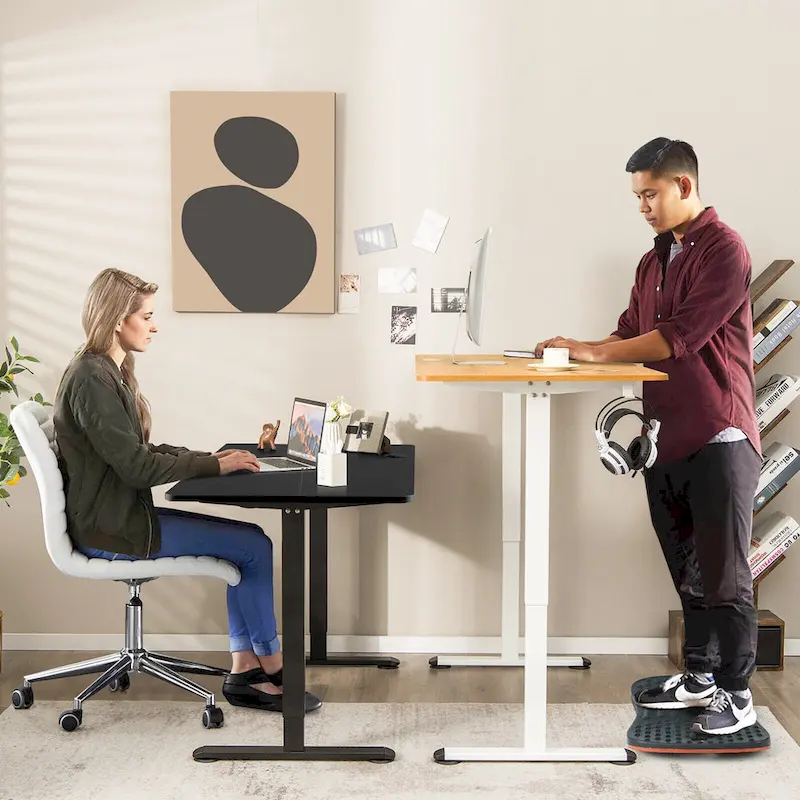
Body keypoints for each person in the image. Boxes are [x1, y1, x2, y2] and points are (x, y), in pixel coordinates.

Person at [535, 138, 760, 735]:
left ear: (684, 186)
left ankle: (736, 694)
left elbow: (675, 338)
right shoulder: (653, 260)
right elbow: (630, 332)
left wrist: (591, 351)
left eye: (650, 194)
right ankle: (700, 678)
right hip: (668, 437)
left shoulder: (724, 250)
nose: (643, 207)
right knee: (687, 570)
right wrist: (574, 354)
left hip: (719, 435)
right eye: (637, 197)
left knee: (725, 575)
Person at [54, 267, 321, 714]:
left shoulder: (104, 372)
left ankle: (247, 667)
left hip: (118, 518)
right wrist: (211, 464)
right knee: (253, 547)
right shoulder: (91, 379)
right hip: (112, 532)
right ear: (118, 318)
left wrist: (209, 459)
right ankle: (270, 666)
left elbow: (135, 452)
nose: (155, 325)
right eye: (147, 316)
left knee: (252, 543)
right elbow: (137, 466)